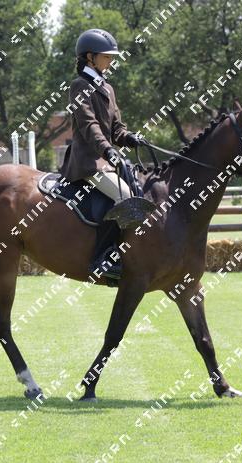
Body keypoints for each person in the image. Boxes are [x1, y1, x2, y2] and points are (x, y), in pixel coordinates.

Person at [59, 28, 146, 280]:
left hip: (106, 160)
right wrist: (107, 149)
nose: (110, 61)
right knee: (124, 195)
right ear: (90, 57)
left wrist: (128, 137)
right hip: (88, 162)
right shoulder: (79, 86)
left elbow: (116, 128)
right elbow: (89, 126)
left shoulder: (107, 87)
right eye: (106, 56)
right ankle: (103, 257)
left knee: (139, 189)